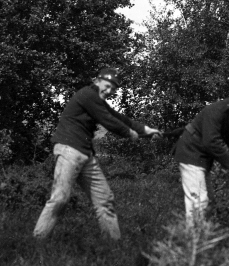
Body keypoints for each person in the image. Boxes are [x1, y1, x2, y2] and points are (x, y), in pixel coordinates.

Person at [33, 68, 160, 240]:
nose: (108, 91)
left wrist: (145, 129)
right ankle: (38, 240)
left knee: (105, 199)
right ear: (97, 81)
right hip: (69, 150)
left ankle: (113, 246)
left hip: (85, 154)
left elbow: (118, 116)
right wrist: (129, 133)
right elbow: (108, 120)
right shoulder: (87, 94)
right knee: (60, 198)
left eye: (112, 90)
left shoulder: (97, 100)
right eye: (107, 86)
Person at [174, 82, 229, 228]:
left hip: (200, 159)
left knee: (207, 202)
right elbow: (210, 141)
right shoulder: (217, 110)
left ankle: (200, 240)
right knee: (199, 202)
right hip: (191, 154)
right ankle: (193, 244)